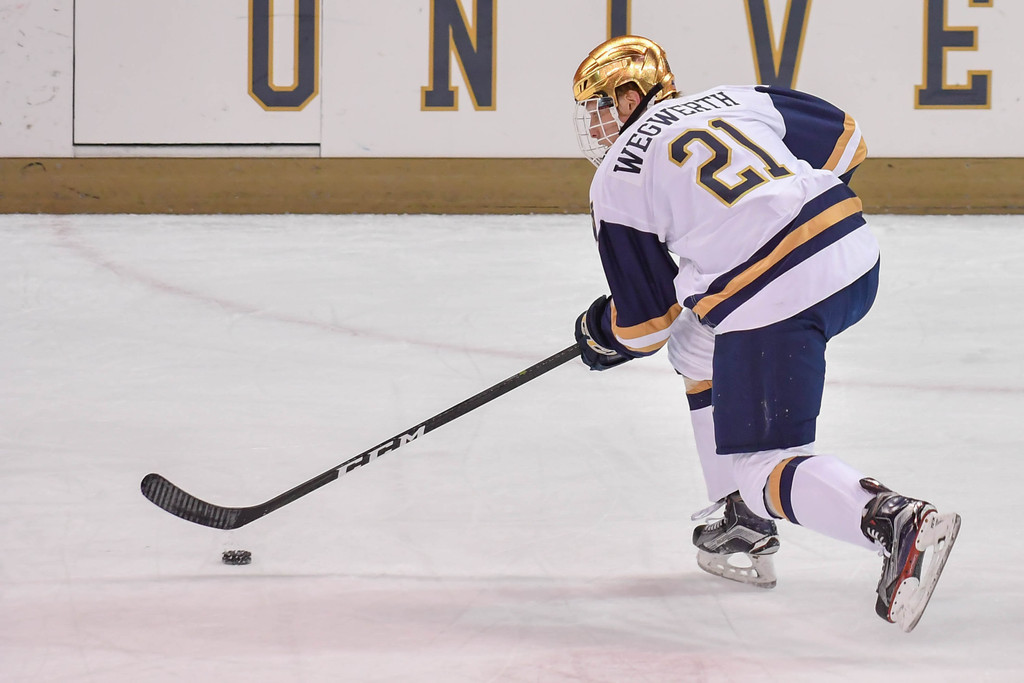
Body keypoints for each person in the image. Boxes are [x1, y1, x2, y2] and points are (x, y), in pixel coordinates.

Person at [569, 35, 960, 631]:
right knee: (694, 347)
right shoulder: (731, 97)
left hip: (777, 296)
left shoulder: (616, 181)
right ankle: (740, 520)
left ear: (629, 97)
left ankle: (890, 518)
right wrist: (764, 209)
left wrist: (599, 335)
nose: (596, 127)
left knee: (764, 466)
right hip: (853, 251)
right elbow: (848, 139)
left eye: (600, 109)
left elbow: (643, 325)